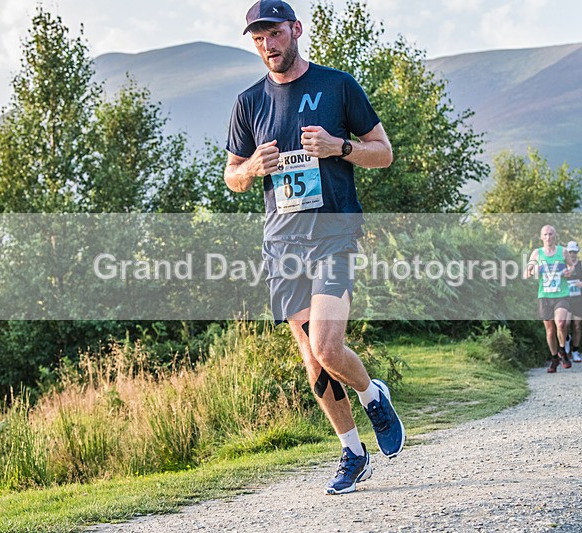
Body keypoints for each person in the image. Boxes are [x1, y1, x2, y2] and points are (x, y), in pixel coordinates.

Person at [223, 0, 404, 495]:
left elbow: (384, 153)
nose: (268, 44)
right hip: (282, 244)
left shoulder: (337, 86)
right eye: (259, 38)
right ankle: (353, 453)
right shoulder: (248, 103)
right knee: (312, 360)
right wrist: (251, 168)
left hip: (333, 235)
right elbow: (232, 176)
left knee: (327, 345)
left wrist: (339, 147)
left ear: (296, 30)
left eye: (275, 33)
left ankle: (372, 394)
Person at [526, 225, 573, 373]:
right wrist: (533, 270)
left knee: (561, 323)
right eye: (545, 234)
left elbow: (572, 267)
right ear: (541, 237)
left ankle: (562, 351)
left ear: (555, 235)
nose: (548, 237)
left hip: (561, 294)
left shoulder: (563, 251)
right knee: (550, 331)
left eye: (551, 234)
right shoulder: (537, 253)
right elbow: (528, 271)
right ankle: (554, 358)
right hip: (545, 296)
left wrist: (569, 272)